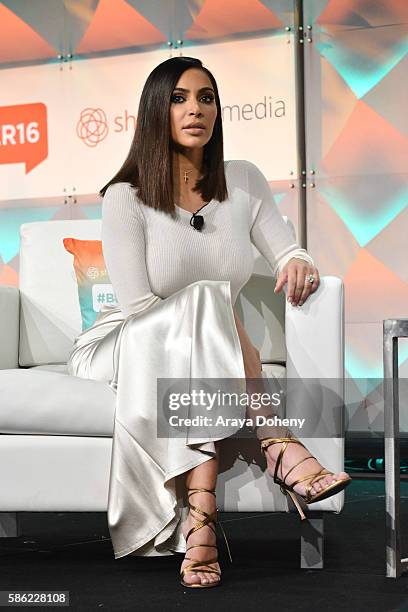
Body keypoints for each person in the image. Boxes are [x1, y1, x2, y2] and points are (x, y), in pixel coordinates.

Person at [67, 56, 351, 589]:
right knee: (209, 303)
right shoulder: (125, 197)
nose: (195, 109)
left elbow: (289, 249)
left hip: (206, 345)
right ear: (156, 111)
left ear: (218, 110)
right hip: (122, 341)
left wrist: (297, 262)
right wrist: (205, 314)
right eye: (178, 99)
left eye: (205, 97)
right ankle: (277, 443)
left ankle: (202, 523)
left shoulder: (242, 181)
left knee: (210, 308)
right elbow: (136, 308)